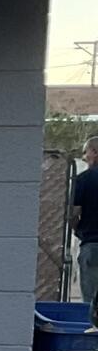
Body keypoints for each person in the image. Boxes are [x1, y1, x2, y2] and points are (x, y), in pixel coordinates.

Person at [77, 135, 98, 327]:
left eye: (86, 152)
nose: (84, 157)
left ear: (95, 152)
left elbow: (73, 212)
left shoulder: (84, 179)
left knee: (91, 304)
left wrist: (77, 229)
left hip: (92, 245)